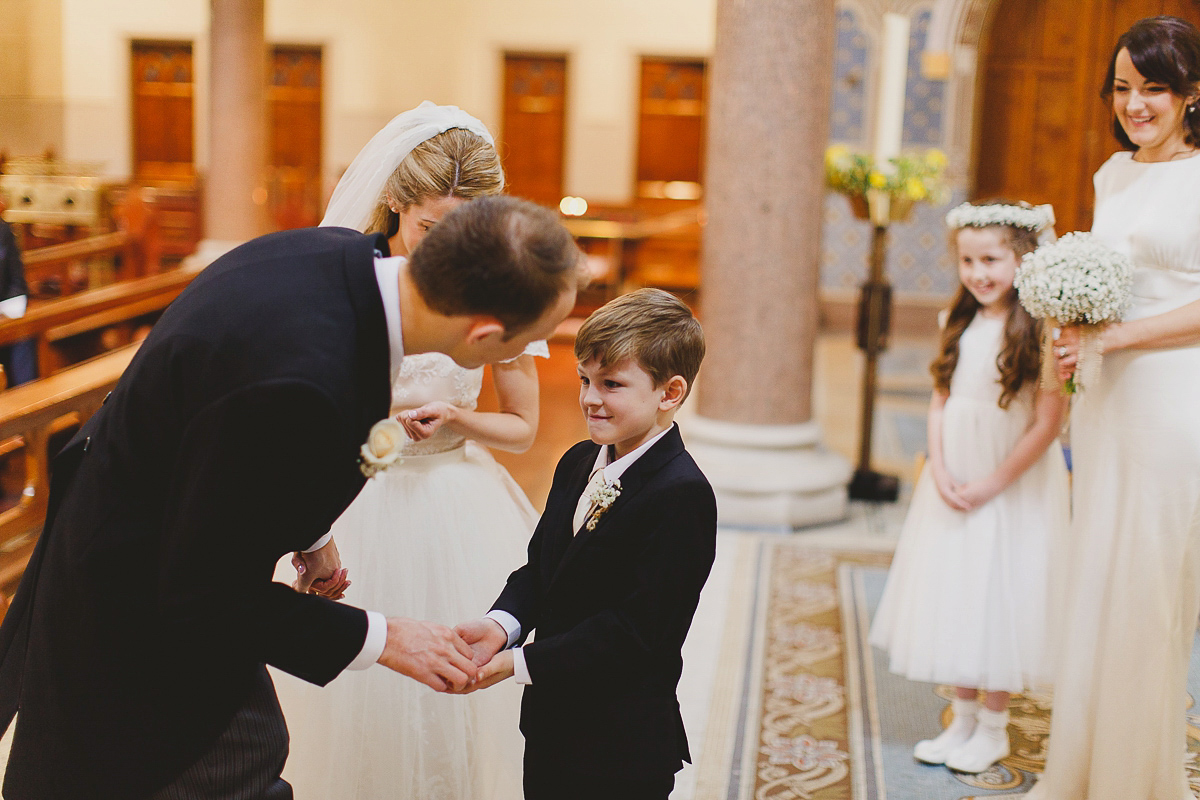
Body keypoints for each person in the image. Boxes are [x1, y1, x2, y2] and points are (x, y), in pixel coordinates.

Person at [0, 195, 582, 799]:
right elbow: (202, 592)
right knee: (237, 762)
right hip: (132, 620)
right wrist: (385, 639)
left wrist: (313, 537)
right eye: (531, 339)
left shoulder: (325, 254)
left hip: (149, 536)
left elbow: (239, 455)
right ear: (485, 333)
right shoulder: (304, 383)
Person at [274, 102, 538, 800]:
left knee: (457, 695)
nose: (442, 249)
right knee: (351, 697)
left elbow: (525, 427)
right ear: (394, 202)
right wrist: (374, 411)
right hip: (358, 496)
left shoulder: (499, 288)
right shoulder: (349, 281)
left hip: (456, 500)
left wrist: (459, 416)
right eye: (428, 228)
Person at [455, 288, 717, 800]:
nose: (590, 398)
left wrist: (521, 663)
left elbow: (636, 632)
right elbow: (541, 570)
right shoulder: (578, 460)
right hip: (553, 724)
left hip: (621, 744)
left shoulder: (682, 494)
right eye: (585, 380)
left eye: (612, 384)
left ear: (670, 393)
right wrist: (500, 626)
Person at [1031, 16, 1200, 799]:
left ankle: (1136, 781)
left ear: (1191, 93)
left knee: (1148, 586)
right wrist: (1077, 328)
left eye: (1154, 89)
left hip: (1171, 400)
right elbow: (1109, 278)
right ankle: (1082, 771)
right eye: (1124, 88)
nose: (1135, 104)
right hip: (1105, 397)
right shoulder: (1110, 173)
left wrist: (1123, 334)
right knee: (1097, 576)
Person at [869, 201, 1069, 774]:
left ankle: (994, 726)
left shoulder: (1043, 328)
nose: (979, 272)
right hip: (954, 475)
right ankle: (962, 717)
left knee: (999, 594)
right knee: (957, 589)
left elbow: (1048, 422)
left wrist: (992, 484)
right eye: (968, 260)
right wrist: (939, 464)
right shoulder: (955, 321)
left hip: (1010, 481)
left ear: (1022, 259)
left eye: (992, 259)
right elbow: (940, 396)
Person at [0, 209, 34, 385]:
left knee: (23, 333)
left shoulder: (3, 230)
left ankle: (26, 401)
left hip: (3, 311)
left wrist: (9, 313)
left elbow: (17, 283)